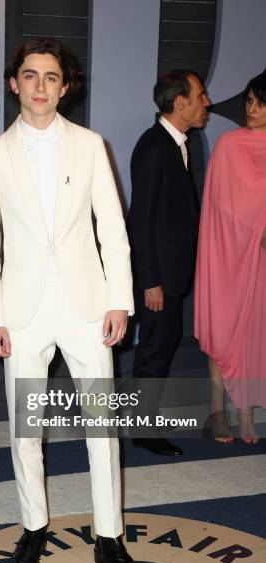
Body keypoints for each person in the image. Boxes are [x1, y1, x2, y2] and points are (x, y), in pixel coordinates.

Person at [0, 38, 147, 563]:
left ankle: (110, 537)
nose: (40, 86)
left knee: (102, 427)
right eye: (30, 76)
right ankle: (33, 527)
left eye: (51, 77)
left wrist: (120, 299)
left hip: (86, 304)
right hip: (21, 311)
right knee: (26, 431)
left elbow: (113, 230)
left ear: (65, 87)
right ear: (13, 84)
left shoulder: (92, 146)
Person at [128, 70, 210, 456]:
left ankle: (144, 422)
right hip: (158, 278)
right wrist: (151, 281)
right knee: (154, 349)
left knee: (161, 345)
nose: (206, 103)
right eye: (200, 96)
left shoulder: (174, 143)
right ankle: (142, 429)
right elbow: (140, 219)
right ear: (181, 102)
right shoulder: (154, 147)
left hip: (170, 274)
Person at [195, 70, 266, 444]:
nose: (250, 109)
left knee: (257, 332)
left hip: (264, 259)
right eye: (249, 101)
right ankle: (217, 408)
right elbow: (220, 207)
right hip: (228, 254)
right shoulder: (229, 144)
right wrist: (255, 229)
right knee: (224, 329)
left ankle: (247, 414)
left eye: (259, 102)